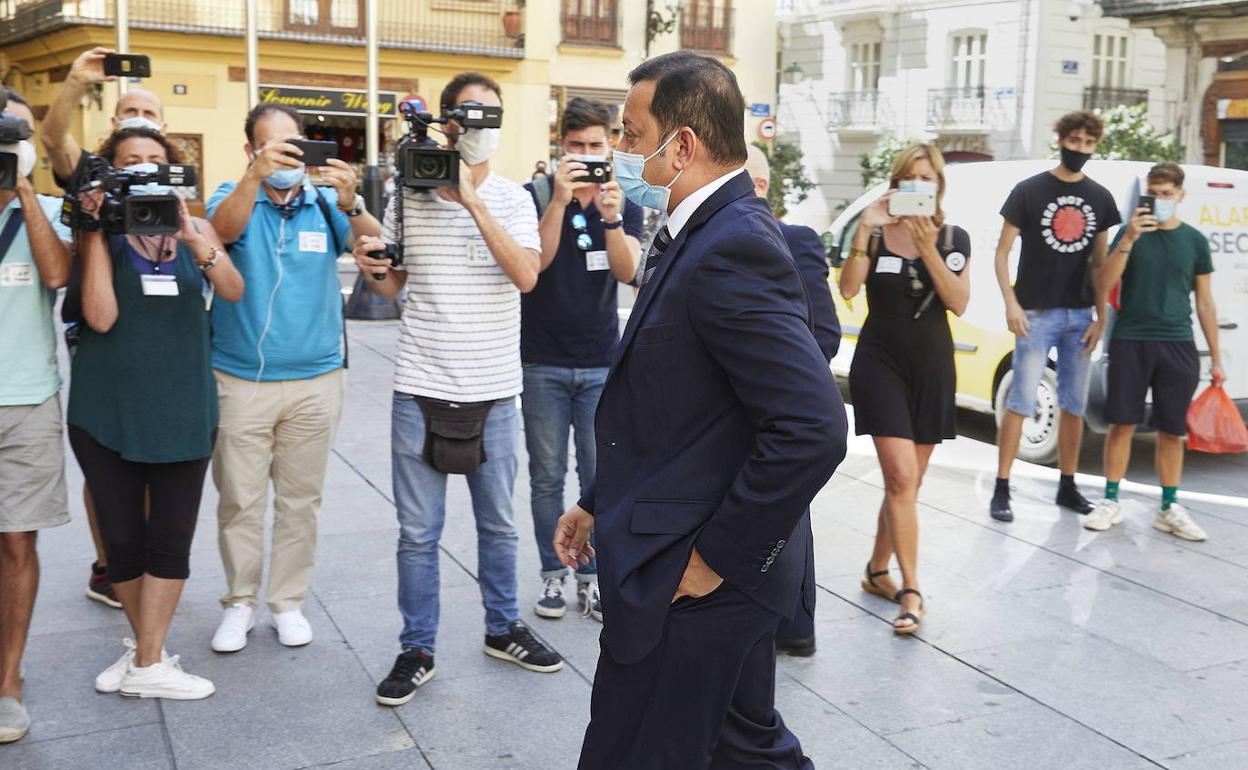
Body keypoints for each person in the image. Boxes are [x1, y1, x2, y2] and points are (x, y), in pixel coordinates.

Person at [553, 51, 847, 769]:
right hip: (686, 556)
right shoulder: (701, 232)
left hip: (693, 577)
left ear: (680, 144)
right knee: (745, 747)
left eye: (630, 133)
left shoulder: (733, 244)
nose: (620, 152)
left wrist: (717, 558)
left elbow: (813, 426)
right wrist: (597, 500)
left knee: (632, 751)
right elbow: (684, 406)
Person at [353, 72, 563, 708]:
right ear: (444, 120)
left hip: (495, 389)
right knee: (418, 532)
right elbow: (395, 289)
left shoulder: (514, 198)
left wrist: (468, 198)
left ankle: (503, 628)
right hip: (420, 384)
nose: (476, 127)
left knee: (497, 525)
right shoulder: (408, 194)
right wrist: (374, 269)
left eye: (488, 116)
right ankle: (417, 646)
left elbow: (527, 276)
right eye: (466, 116)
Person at [68, 127, 243, 700]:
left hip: (184, 404)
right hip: (108, 409)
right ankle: (148, 655)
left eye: (154, 161)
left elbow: (234, 290)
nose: (143, 169)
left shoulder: (194, 224)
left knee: (170, 537)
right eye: (130, 162)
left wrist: (195, 240)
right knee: (123, 541)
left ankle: (146, 660)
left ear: (171, 170)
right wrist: (95, 231)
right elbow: (98, 316)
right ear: (111, 174)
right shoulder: (96, 234)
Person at [205, 102, 380, 652]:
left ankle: (287, 602)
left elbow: (373, 247)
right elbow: (219, 232)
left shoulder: (324, 202)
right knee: (239, 499)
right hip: (240, 378)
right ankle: (238, 602)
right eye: (271, 145)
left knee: (301, 501)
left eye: (293, 144)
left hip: (317, 379)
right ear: (251, 150)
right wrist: (254, 178)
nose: (286, 155)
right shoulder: (231, 195)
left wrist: (352, 201)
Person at [40, 45, 169, 610]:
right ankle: (109, 564)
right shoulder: (89, 175)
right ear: (113, 125)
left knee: (150, 457)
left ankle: (139, 560)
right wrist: (75, 81)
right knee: (106, 458)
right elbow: (52, 140)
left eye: (150, 114)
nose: (139, 120)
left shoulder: (172, 181)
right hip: (98, 336)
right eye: (129, 113)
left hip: (155, 338)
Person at [839, 144, 972, 635]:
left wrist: (930, 246)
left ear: (938, 185)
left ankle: (877, 570)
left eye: (927, 178)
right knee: (899, 477)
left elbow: (957, 301)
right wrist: (865, 228)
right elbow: (849, 290)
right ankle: (911, 590)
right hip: (879, 363)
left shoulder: (956, 237)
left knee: (908, 484)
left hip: (932, 366)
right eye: (910, 178)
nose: (920, 185)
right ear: (896, 184)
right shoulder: (874, 236)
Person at [522, 97, 643, 623]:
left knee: (600, 475)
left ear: (609, 147)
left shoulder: (623, 201)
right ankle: (553, 574)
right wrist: (558, 200)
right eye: (577, 147)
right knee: (547, 476)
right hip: (541, 361)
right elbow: (538, 263)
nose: (588, 155)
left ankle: (592, 578)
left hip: (600, 362)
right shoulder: (535, 196)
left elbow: (627, 272)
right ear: (560, 147)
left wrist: (611, 218)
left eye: (596, 146)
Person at [990, 111, 1120, 522]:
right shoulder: (1029, 191)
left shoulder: (1100, 197)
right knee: (1020, 401)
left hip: (1081, 315)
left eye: (1087, 143)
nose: (1079, 149)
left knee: (1074, 404)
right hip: (1035, 312)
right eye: (1074, 140)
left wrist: (1101, 317)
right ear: (1060, 139)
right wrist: (1011, 303)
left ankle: (1068, 485)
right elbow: (1002, 251)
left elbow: (1100, 264)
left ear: (1094, 146)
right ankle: (1002, 486)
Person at [1084, 163, 1221, 541]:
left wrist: (1217, 358)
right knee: (1121, 424)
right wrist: (1128, 236)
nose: (1159, 200)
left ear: (1179, 196)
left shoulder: (1194, 241)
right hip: (1130, 340)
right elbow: (1104, 281)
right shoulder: (1131, 234)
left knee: (1172, 431)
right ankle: (1110, 499)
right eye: (1153, 193)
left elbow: (1206, 304)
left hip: (1178, 343)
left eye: (1166, 194)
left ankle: (1169, 507)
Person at [743, 143, 841, 655]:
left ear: (758, 186)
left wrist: (774, 382)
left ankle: (795, 626)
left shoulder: (797, 240)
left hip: (775, 416)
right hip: (723, 422)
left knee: (785, 520)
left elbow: (824, 335)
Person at [0, 90, 72, 744]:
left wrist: (23, 192)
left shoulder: (45, 209)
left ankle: (8, 680)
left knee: (17, 540)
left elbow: (56, 276)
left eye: (13, 136)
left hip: (27, 400)